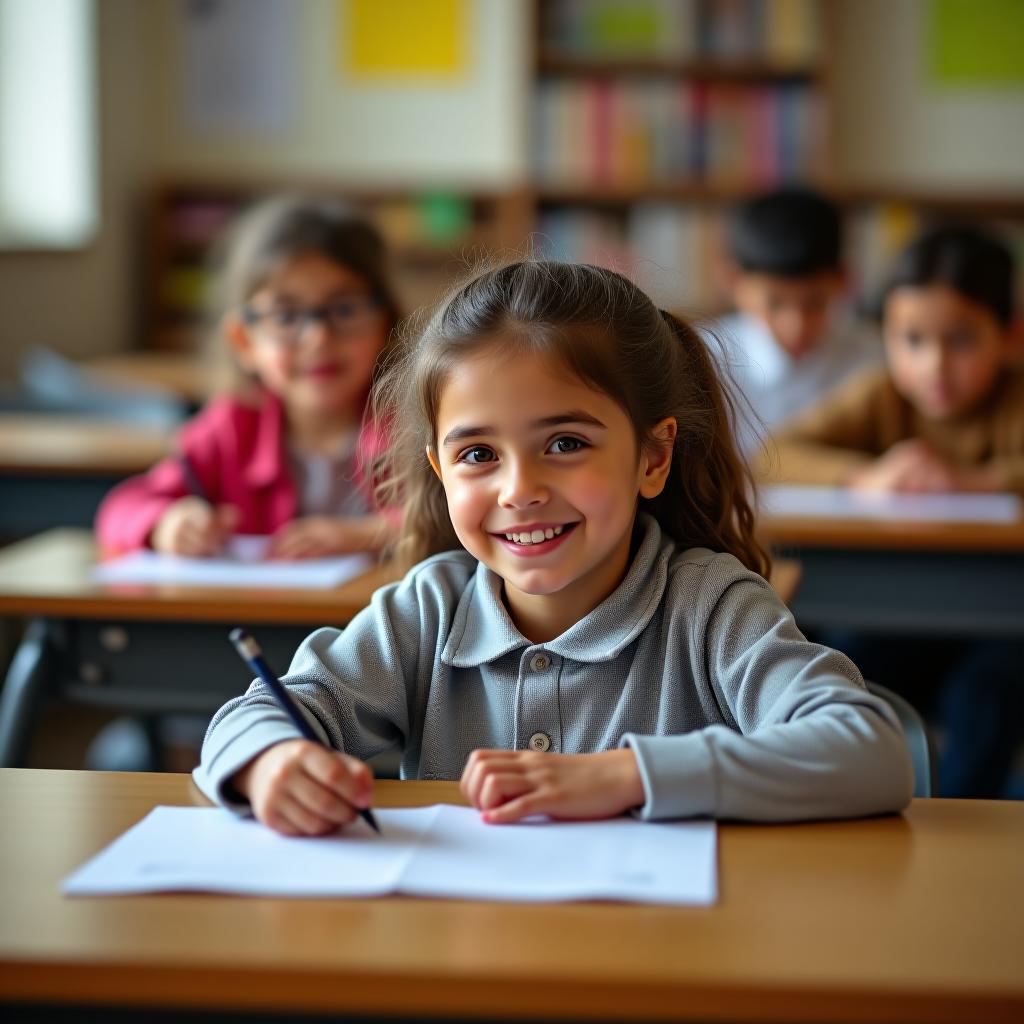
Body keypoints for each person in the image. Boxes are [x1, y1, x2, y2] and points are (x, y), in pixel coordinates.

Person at [193, 260, 912, 835]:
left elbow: (870, 750)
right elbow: (257, 713)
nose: (520, 489)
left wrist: (625, 777)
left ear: (653, 457)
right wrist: (272, 763)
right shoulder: (428, 609)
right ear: (440, 471)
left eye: (565, 444)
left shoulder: (710, 606)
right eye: (478, 454)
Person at [765, 225, 1024, 798]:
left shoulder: (1015, 398)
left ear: (1009, 335)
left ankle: (959, 834)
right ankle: (843, 804)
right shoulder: (879, 392)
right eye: (911, 339)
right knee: (838, 662)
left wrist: (974, 482)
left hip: (1002, 629)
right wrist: (865, 476)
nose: (932, 365)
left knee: (986, 695)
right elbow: (772, 453)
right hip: (893, 622)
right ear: (884, 334)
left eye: (960, 341)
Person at [96, 195, 402, 559]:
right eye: (286, 316)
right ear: (245, 341)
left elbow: (459, 513)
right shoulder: (230, 429)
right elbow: (121, 507)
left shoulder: (413, 423)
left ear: (384, 322)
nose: (319, 337)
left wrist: (368, 534)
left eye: (345, 309)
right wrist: (167, 523)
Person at [710, 187, 880, 455]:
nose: (796, 325)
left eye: (815, 302)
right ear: (734, 282)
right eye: (774, 303)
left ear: (843, 281)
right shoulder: (703, 362)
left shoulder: (874, 359)